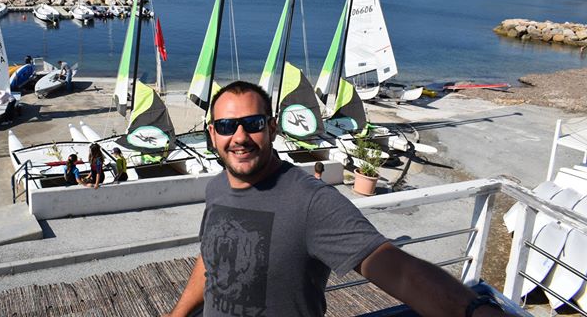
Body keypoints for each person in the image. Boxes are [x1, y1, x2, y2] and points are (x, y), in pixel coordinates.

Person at [166, 81, 509, 317]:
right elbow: (211, 259)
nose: (239, 137)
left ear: (272, 128)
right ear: (212, 134)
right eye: (226, 126)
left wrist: (472, 310)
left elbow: (396, 269)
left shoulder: (309, 200)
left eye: (252, 123)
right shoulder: (216, 189)